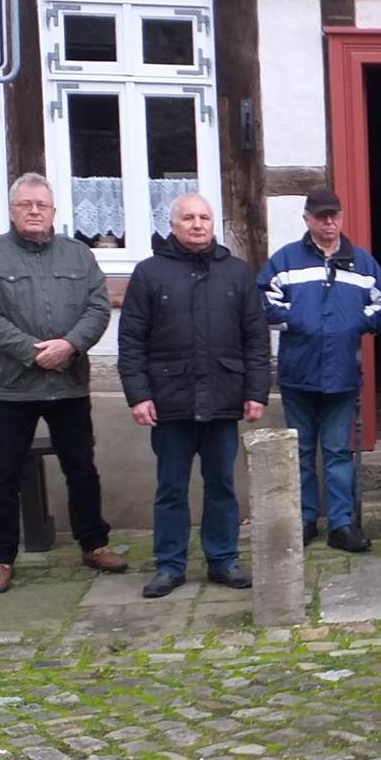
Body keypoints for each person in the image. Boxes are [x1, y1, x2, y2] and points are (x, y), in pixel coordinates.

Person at [0, 173, 127, 593]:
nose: (34, 211)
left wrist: (70, 345)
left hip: (68, 383)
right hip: (11, 386)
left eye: (42, 205)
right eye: (26, 205)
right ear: (12, 210)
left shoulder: (78, 256)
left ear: (54, 211)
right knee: (4, 474)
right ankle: (0, 557)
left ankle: (94, 543)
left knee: (81, 467)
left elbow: (98, 306)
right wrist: (34, 352)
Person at [118, 193, 273, 599]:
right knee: (171, 487)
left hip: (223, 397)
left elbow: (256, 339)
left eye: (204, 217)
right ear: (173, 225)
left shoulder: (237, 274)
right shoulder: (150, 273)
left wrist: (257, 391)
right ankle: (170, 566)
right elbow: (131, 341)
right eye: (188, 218)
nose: (198, 224)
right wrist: (138, 395)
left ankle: (223, 560)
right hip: (169, 401)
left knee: (221, 483)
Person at [261, 187, 381, 552]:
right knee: (301, 452)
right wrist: (296, 320)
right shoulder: (286, 260)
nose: (328, 222)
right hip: (297, 374)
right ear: (307, 219)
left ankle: (341, 524)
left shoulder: (362, 262)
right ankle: (305, 520)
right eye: (320, 216)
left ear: (341, 217)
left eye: (333, 215)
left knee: (338, 452)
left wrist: (357, 322)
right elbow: (262, 300)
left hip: (341, 374)